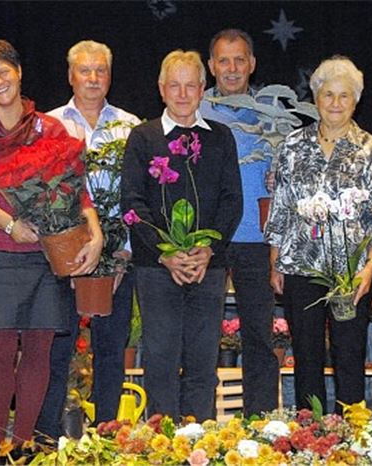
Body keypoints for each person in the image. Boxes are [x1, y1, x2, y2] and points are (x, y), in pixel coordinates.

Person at [0, 39, 103, 464]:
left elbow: (77, 191)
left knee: (39, 350)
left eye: (4, 72)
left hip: (46, 255)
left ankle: (24, 445)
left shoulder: (49, 129)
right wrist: (9, 223)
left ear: (18, 73)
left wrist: (96, 234)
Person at [264, 56, 372, 412]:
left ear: (356, 101)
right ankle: (311, 435)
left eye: (344, 96)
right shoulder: (291, 145)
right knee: (306, 357)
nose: (335, 103)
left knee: (349, 356)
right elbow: (282, 206)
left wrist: (370, 268)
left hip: (351, 272)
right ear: (316, 98)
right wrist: (276, 262)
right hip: (301, 267)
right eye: (328, 95)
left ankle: (350, 438)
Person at [121, 50, 242, 421]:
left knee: (203, 361)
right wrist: (166, 253)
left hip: (209, 267)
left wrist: (207, 249)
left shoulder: (221, 138)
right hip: (157, 268)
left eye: (191, 85)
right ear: (161, 90)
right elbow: (132, 203)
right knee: (160, 359)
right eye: (175, 85)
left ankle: (199, 440)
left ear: (203, 89)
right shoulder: (142, 138)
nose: (183, 93)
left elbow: (231, 201)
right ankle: (163, 443)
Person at [38, 40, 142, 438]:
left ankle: (107, 434)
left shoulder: (131, 127)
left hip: (116, 255)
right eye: (85, 70)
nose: (93, 78)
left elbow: (137, 199)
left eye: (100, 70)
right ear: (70, 76)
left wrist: (124, 255)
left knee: (111, 351)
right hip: (61, 256)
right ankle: (49, 435)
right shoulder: (47, 126)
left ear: (110, 76)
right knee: (57, 347)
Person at [199, 29, 279, 416]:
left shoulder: (273, 115)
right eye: (223, 61)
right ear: (211, 66)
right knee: (201, 337)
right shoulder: (192, 111)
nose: (232, 69)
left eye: (239, 59)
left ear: (252, 63)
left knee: (259, 336)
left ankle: (260, 421)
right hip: (207, 238)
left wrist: (278, 176)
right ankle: (197, 420)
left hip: (256, 239)